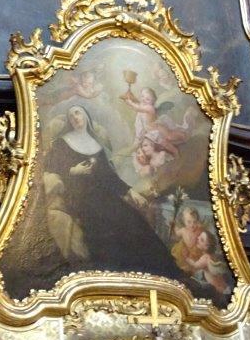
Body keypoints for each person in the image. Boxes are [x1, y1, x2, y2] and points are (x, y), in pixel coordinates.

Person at [43, 105, 182, 278]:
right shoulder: (62, 143)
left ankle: (161, 273)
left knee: (133, 219)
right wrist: (73, 171)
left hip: (103, 194)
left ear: (86, 115)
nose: (75, 117)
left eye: (78, 112)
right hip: (80, 195)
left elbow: (109, 177)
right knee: (105, 221)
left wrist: (131, 192)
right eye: (71, 116)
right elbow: (50, 166)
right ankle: (116, 274)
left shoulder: (96, 145)